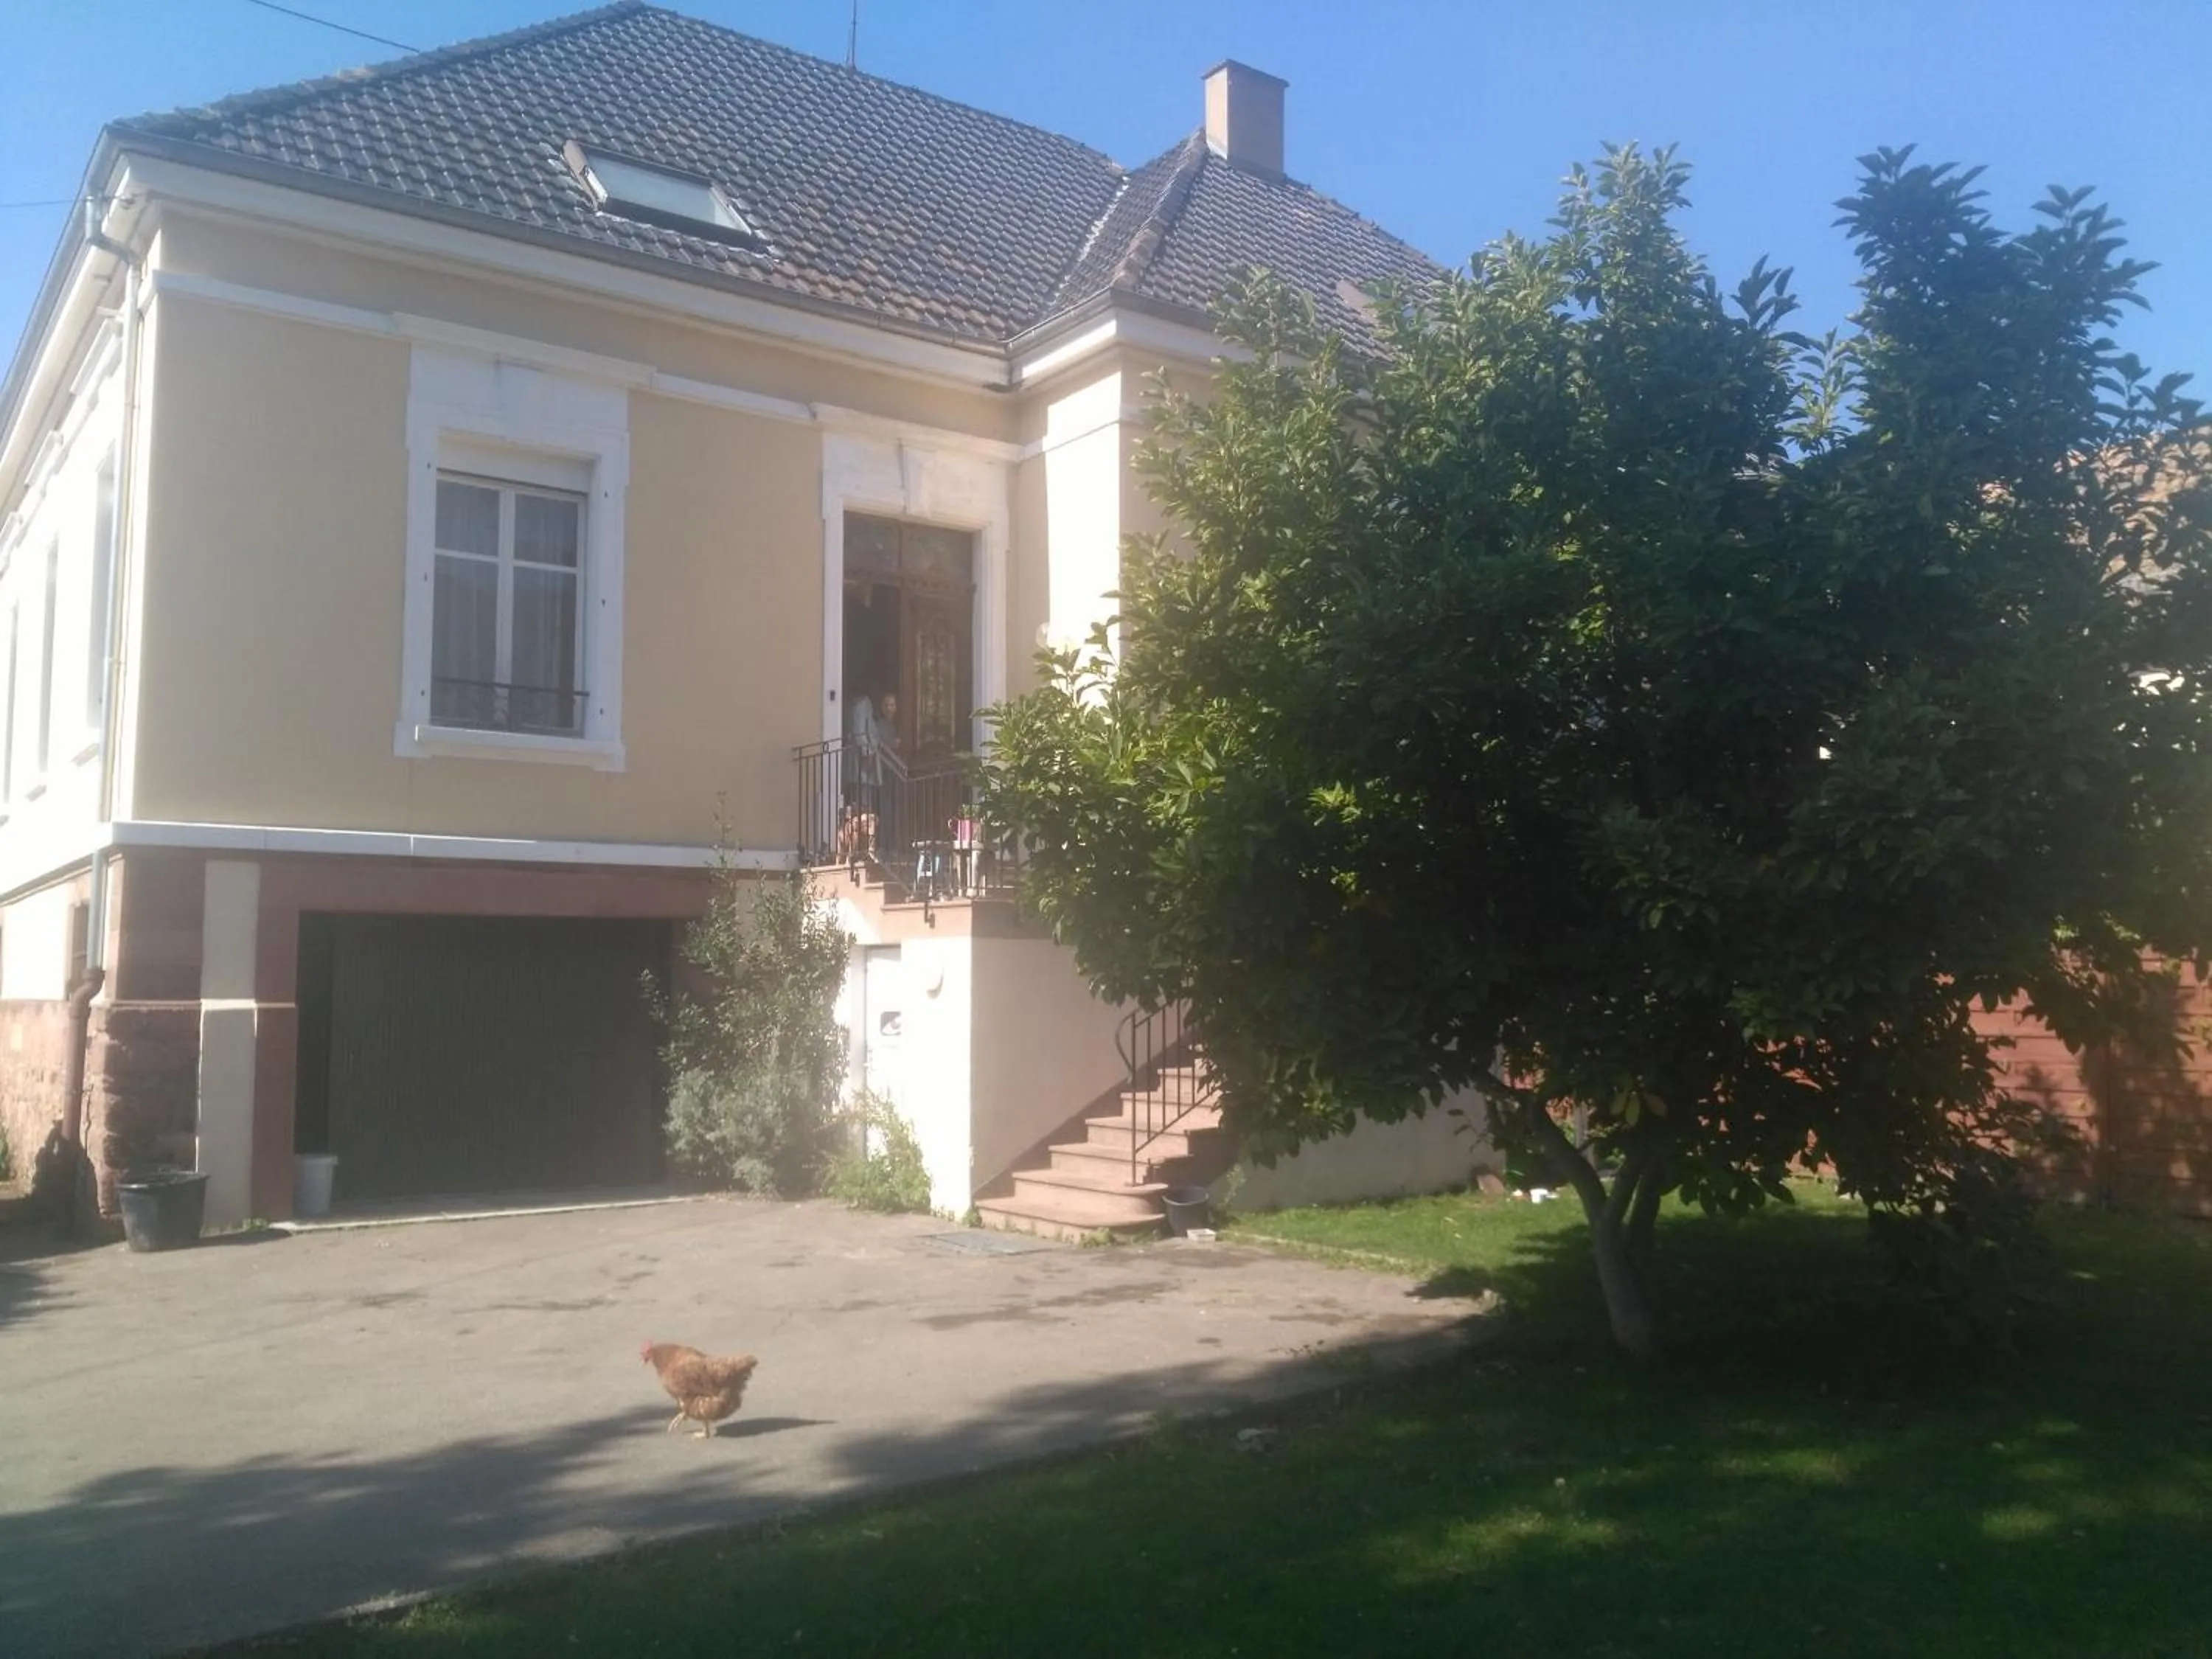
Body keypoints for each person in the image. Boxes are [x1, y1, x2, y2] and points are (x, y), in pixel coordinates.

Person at [847, 688, 901, 856]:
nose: (889, 708)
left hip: (878, 770)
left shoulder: (864, 706)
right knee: (865, 809)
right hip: (870, 769)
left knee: (868, 809)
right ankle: (865, 850)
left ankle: (869, 848)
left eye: (892, 704)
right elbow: (860, 732)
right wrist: (866, 753)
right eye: (886, 704)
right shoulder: (863, 704)